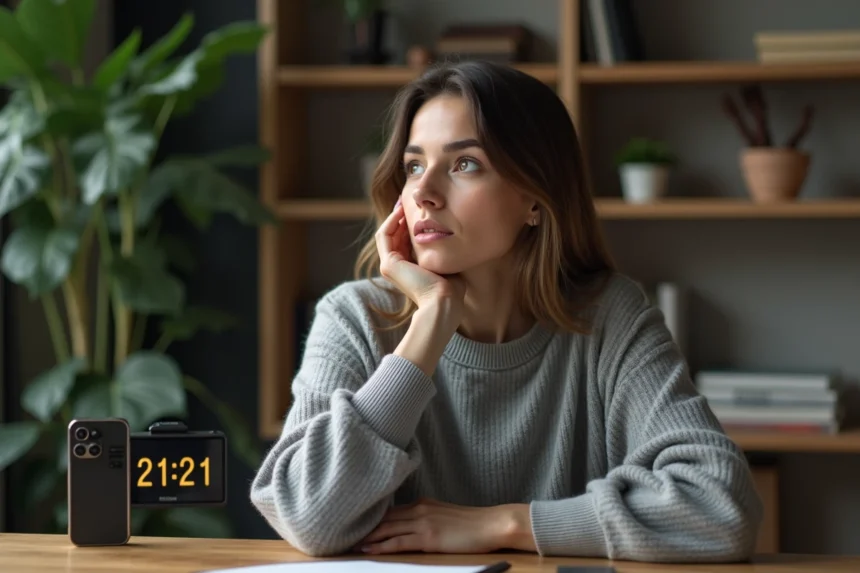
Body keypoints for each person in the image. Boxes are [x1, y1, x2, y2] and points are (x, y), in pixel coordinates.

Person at [250, 60, 763, 562]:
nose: (423, 193)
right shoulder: (354, 317)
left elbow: (721, 507)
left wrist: (508, 524)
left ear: (534, 199)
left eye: (464, 164)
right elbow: (306, 515)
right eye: (413, 166)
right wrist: (430, 327)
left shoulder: (609, 317)